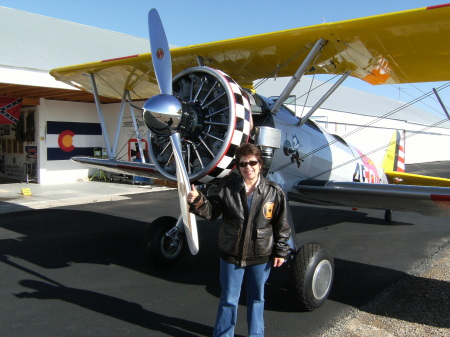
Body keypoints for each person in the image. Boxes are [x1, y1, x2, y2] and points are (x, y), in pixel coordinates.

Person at [188, 143, 291, 337]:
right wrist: (198, 201)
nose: (248, 167)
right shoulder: (227, 188)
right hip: (231, 254)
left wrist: (281, 250)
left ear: (260, 164)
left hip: (261, 256)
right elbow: (212, 211)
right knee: (228, 298)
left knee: (257, 299)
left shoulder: (274, 191)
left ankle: (256, 335)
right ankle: (223, 334)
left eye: (252, 162)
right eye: (243, 164)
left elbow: (281, 224)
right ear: (238, 166)